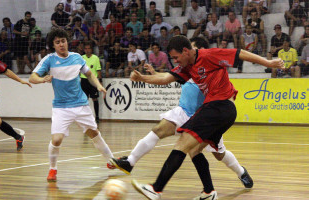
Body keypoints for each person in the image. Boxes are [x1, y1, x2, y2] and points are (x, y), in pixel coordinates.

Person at [128, 35, 284, 200]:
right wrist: (142, 78)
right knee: (195, 150)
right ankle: (209, 192)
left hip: (218, 107)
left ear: (186, 51)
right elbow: (166, 78)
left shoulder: (209, 55)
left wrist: (269, 63)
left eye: (176, 57)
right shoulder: (187, 66)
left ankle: (156, 189)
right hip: (222, 112)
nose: (175, 61)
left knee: (182, 143)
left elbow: (240, 53)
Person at [110, 36, 253, 192]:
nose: (188, 51)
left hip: (204, 116)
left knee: (217, 154)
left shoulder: (209, 66)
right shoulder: (187, 66)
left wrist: (152, 75)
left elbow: (168, 77)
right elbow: (168, 77)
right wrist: (151, 74)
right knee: (158, 130)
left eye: (192, 47)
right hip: (184, 110)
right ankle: (130, 162)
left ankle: (240, 172)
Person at [29, 29, 115, 182]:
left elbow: (89, 74)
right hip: (61, 107)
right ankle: (52, 169)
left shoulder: (77, 58)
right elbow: (32, 77)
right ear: (53, 45)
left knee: (94, 133)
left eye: (63, 41)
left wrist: (98, 85)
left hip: (81, 104)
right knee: (56, 140)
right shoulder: (49, 60)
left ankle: (112, 160)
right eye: (57, 42)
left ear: (67, 41)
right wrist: (42, 79)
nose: (61, 44)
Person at [80, 43, 102, 122]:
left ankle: (97, 117)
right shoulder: (81, 58)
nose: (87, 50)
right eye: (85, 48)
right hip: (84, 80)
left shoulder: (95, 58)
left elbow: (98, 70)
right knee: (84, 100)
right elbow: (78, 70)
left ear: (91, 49)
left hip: (93, 80)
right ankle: (85, 117)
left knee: (95, 99)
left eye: (89, 48)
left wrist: (100, 81)